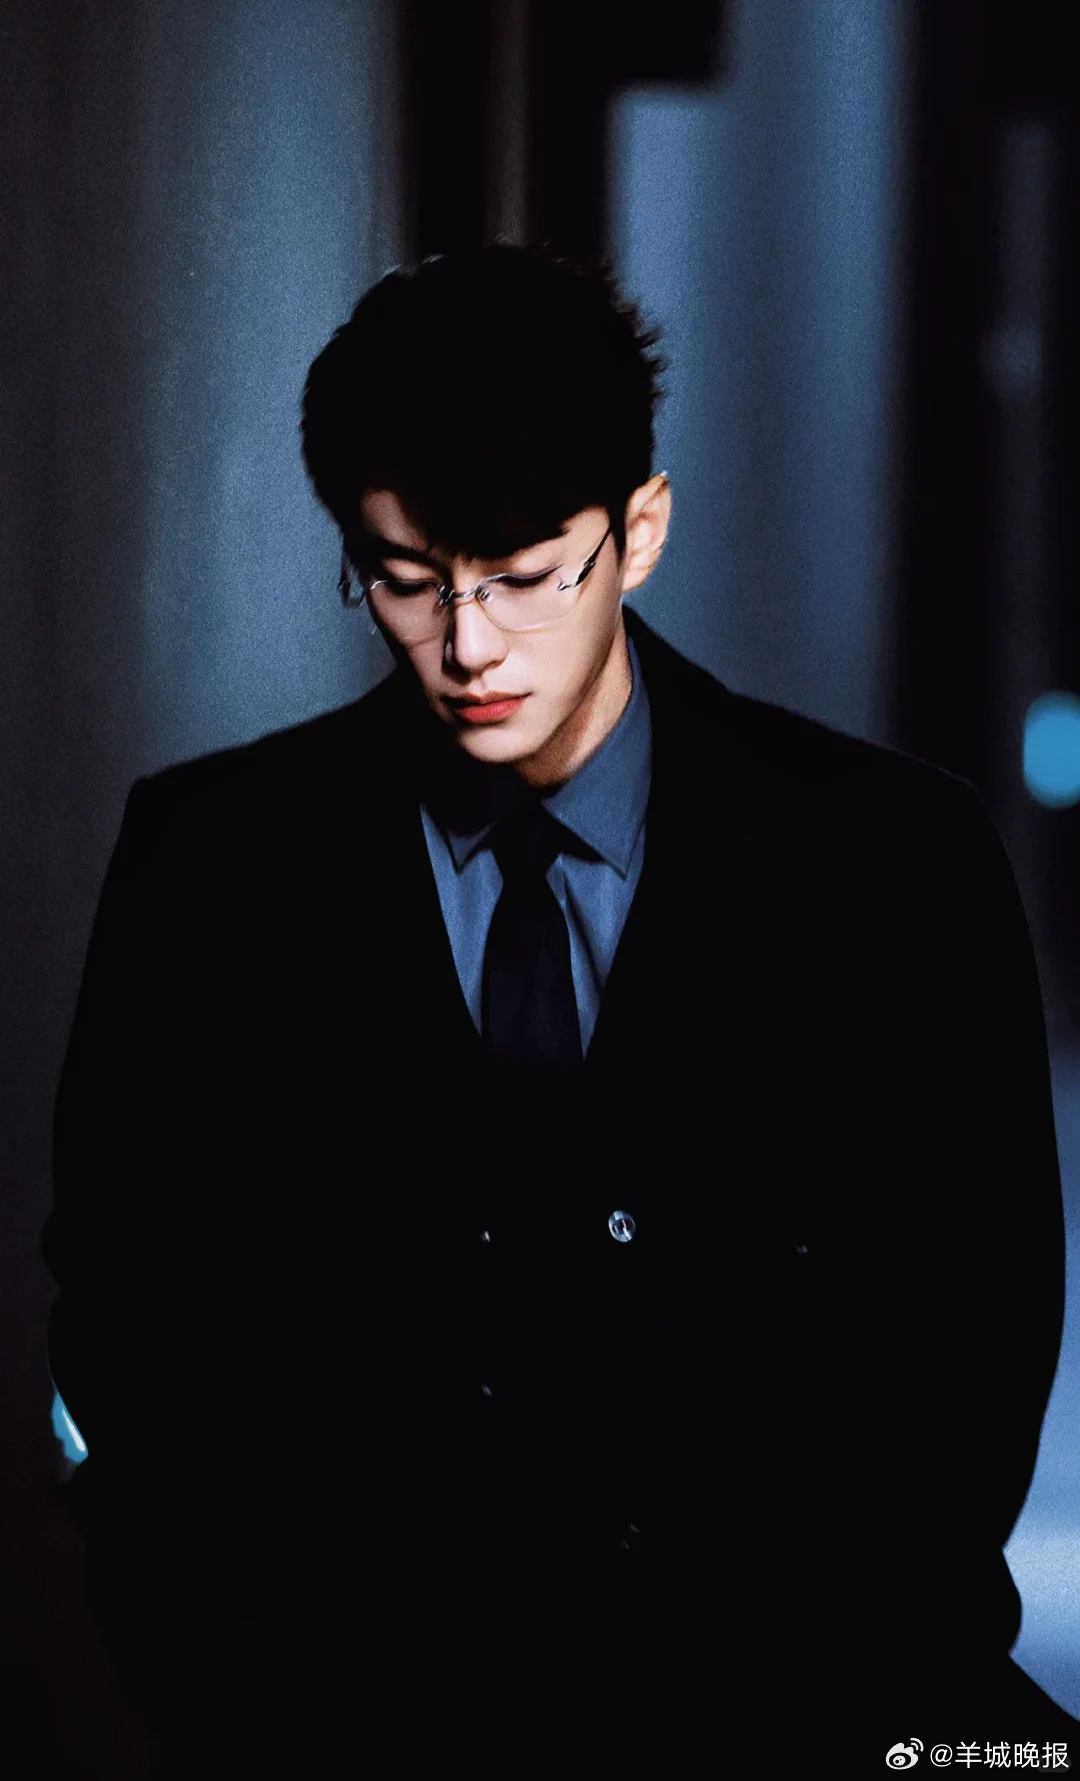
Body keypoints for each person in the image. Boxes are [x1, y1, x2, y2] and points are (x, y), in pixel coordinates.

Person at [41, 241, 1076, 1775]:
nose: (467, 646)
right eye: (404, 579)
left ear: (639, 529)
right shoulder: (212, 862)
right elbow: (128, 1323)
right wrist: (238, 1686)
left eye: (524, 576)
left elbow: (972, 1348)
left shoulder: (892, 863)